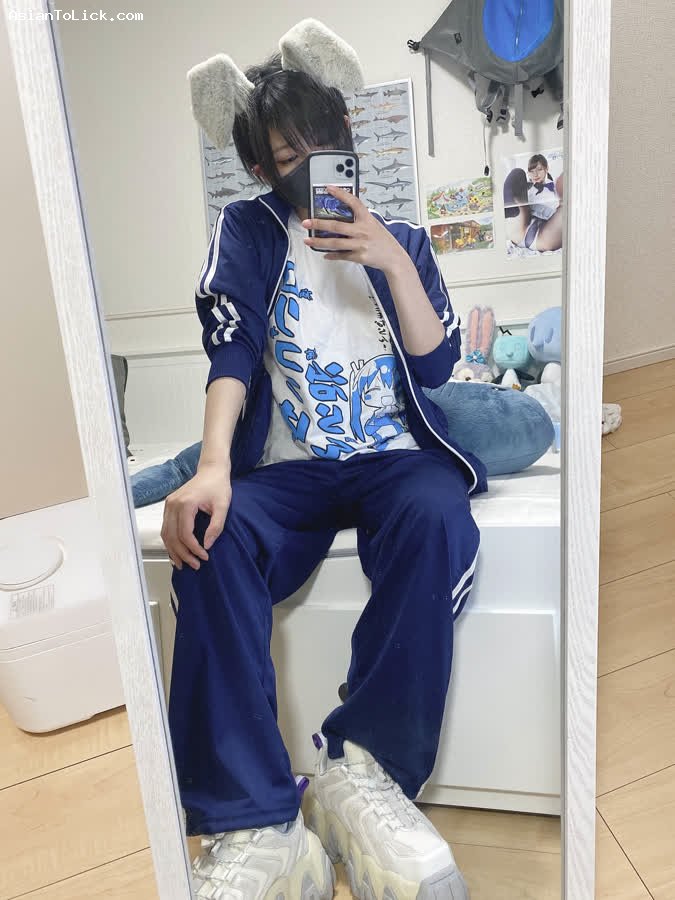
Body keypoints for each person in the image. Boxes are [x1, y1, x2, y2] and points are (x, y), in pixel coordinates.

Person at [163, 25, 486, 900]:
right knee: (209, 535)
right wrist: (214, 466)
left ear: (347, 130)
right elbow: (231, 346)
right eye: (284, 159)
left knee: (437, 513)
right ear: (259, 169)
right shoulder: (248, 228)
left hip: (393, 459)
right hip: (289, 471)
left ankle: (361, 769)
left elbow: (434, 368)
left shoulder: (402, 235)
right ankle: (256, 823)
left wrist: (388, 257)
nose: (308, 168)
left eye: (321, 144)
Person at [504, 153, 564, 252]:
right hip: (522, 228)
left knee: (563, 186)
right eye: (531, 171)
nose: (535, 174)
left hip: (544, 236)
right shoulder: (526, 189)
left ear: (546, 169)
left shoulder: (554, 187)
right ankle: (508, 206)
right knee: (517, 172)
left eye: (539, 170)